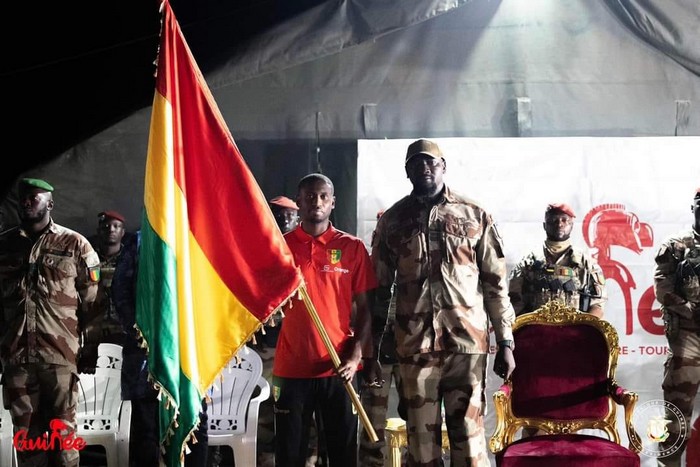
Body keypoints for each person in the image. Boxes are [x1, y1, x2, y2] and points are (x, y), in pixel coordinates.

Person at [370, 139, 515, 466]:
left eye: (431, 162)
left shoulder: (474, 214)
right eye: (416, 163)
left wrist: (505, 342)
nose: (424, 168)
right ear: (407, 171)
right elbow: (378, 290)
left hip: (466, 344)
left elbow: (495, 283)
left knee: (469, 437)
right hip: (415, 348)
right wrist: (372, 349)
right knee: (421, 445)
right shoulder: (393, 221)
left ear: (443, 167)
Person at [273, 173, 377, 467]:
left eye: (322, 197)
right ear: (298, 202)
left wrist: (355, 357)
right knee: (289, 456)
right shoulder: (281, 248)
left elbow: (366, 310)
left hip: (338, 368)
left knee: (342, 455)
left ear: (333, 202)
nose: (315, 202)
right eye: (308, 197)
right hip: (291, 370)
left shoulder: (352, 247)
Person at [0, 177, 101, 467]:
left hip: (60, 357)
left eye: (35, 197)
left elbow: (93, 300)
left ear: (50, 203)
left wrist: (91, 347)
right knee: (28, 442)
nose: (28, 202)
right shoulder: (4, 246)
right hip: (17, 357)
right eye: (24, 197)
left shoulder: (74, 244)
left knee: (64, 441)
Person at [111, 229, 209, 467]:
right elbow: (120, 291)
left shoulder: (201, 237)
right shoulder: (140, 240)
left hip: (191, 359)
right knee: (146, 435)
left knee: (194, 428)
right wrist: (142, 333)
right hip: (148, 360)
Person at [653, 187, 700, 467]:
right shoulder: (676, 245)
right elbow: (662, 288)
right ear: (692, 207)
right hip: (687, 336)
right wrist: (690, 309)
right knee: (675, 415)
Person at [508, 203, 607, 318]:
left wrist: (583, 330)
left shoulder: (586, 264)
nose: (559, 224)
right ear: (545, 225)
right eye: (554, 220)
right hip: (536, 331)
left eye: (564, 220)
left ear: (572, 225)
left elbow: (597, 305)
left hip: (576, 331)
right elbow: (514, 303)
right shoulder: (527, 264)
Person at [358, 211, 403, 467]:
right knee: (372, 422)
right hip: (376, 352)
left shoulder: (413, 263)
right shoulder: (366, 262)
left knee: (419, 421)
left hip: (411, 352)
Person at [85, 210, 129, 347]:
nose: (111, 230)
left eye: (116, 226)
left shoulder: (132, 260)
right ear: (98, 231)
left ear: (123, 232)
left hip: (124, 329)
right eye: (106, 227)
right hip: (94, 330)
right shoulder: (87, 258)